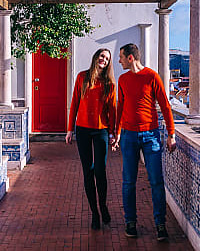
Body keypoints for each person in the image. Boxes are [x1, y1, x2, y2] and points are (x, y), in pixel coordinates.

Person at [111, 43, 176, 241]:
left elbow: (165, 106)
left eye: (121, 57)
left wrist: (171, 134)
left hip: (151, 135)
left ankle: (160, 224)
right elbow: (120, 107)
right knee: (128, 181)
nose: (119, 61)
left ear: (130, 58)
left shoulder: (152, 76)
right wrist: (117, 133)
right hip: (129, 136)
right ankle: (130, 222)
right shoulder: (122, 79)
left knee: (156, 181)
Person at [65, 48, 117, 231]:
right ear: (96, 57)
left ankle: (103, 205)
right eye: (102, 56)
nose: (104, 59)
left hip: (102, 131)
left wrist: (114, 133)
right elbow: (74, 103)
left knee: (100, 171)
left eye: (107, 58)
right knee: (88, 171)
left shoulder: (110, 83)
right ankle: (94, 213)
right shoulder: (82, 77)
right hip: (83, 130)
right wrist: (70, 129)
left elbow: (112, 111)